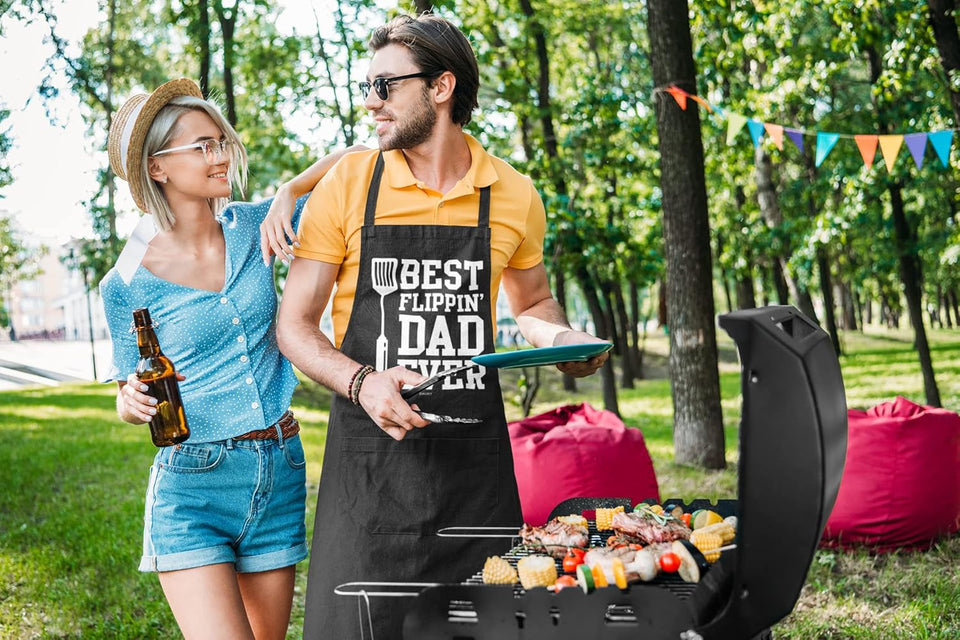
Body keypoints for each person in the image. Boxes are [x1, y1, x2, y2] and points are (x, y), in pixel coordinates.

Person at [276, 14, 609, 639]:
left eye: (385, 86)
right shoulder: (349, 184)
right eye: (366, 85)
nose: (368, 102)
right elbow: (293, 326)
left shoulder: (513, 193)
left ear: (441, 87)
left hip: (472, 476)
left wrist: (565, 343)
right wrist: (362, 383)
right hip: (369, 472)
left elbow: (533, 303)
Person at [99, 78, 355, 640]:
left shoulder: (255, 228)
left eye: (221, 142)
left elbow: (359, 157)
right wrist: (130, 401)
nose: (219, 156)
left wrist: (290, 189)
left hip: (279, 469)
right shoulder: (125, 284)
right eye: (201, 146)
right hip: (193, 485)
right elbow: (127, 393)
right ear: (157, 168)